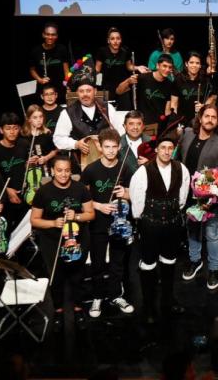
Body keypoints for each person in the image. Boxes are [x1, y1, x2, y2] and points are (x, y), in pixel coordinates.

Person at [130, 134, 190, 323]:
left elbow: (182, 198)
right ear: (156, 149)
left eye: (169, 148)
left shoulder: (182, 169)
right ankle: (148, 306)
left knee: (170, 261)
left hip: (172, 224)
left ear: (173, 150)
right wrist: (143, 222)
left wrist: (172, 214)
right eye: (162, 147)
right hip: (150, 225)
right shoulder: (143, 171)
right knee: (148, 264)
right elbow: (137, 201)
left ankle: (168, 300)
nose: (166, 151)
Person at [79, 128, 136, 317]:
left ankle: (115, 294)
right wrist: (99, 206)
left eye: (114, 147)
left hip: (119, 222)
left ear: (119, 147)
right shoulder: (91, 170)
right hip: (98, 223)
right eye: (107, 147)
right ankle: (97, 297)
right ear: (100, 147)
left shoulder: (125, 167)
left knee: (118, 262)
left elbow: (131, 195)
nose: (111, 151)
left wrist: (125, 194)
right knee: (97, 261)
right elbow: (82, 199)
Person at [30, 157, 95, 324]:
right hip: (52, 241)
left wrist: (77, 216)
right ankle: (58, 310)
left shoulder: (80, 188)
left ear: (71, 171)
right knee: (56, 276)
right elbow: (34, 220)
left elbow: (91, 214)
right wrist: (53, 222)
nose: (63, 174)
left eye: (67, 170)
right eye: (59, 170)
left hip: (78, 239)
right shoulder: (43, 191)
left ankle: (78, 308)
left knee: (77, 274)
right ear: (52, 171)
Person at [177, 104, 218, 290]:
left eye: (213, 117)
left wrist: (210, 200)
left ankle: (214, 268)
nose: (209, 120)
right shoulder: (187, 135)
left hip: (210, 198)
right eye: (206, 116)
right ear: (200, 117)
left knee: (211, 232)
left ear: (217, 121)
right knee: (192, 228)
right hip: (188, 193)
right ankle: (195, 260)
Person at [0, 113, 32, 227]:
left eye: (15, 128)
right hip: (7, 199)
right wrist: (7, 189)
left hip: (27, 195)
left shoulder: (25, 144)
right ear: (1, 130)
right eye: (8, 128)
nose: (12, 132)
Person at [117, 54, 175, 126]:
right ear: (157, 65)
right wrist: (128, 81)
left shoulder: (169, 84)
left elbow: (167, 109)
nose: (167, 69)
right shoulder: (143, 78)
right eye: (164, 66)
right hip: (141, 123)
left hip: (159, 125)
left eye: (170, 67)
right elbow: (119, 91)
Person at [95, 27, 139, 110]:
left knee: (126, 110)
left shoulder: (125, 51)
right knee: (106, 111)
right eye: (112, 39)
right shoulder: (102, 51)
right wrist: (97, 86)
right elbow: (98, 70)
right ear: (108, 41)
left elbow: (129, 67)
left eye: (118, 38)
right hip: (106, 86)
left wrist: (138, 67)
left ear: (121, 40)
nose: (115, 41)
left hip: (123, 85)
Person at [173, 51, 209, 124]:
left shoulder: (205, 80)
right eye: (191, 62)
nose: (194, 65)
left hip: (199, 121)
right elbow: (174, 104)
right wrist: (175, 122)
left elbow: (213, 98)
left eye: (197, 63)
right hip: (181, 120)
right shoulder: (178, 80)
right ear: (186, 64)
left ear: (200, 65)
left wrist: (204, 106)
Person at [29, 21, 67, 90]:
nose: (50, 37)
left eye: (53, 34)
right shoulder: (35, 51)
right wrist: (39, 79)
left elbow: (66, 68)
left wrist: (67, 82)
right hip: (44, 87)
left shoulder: (62, 49)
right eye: (47, 34)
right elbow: (32, 70)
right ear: (43, 35)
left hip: (60, 87)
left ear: (57, 36)